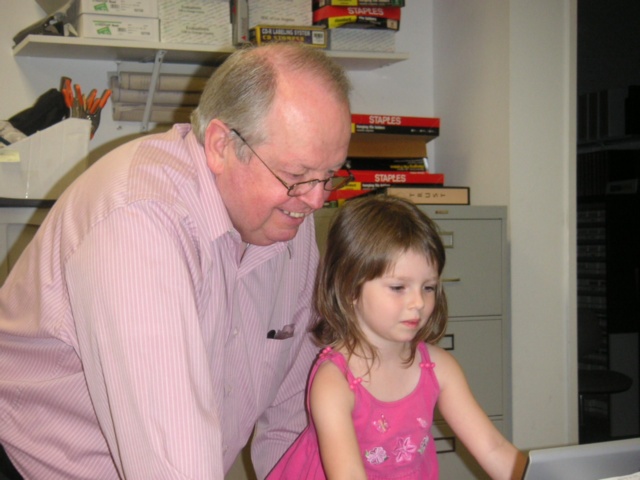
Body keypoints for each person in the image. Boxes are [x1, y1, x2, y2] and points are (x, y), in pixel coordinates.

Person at [0, 42, 353, 479]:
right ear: (222, 145)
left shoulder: (287, 225)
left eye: (331, 175)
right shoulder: (139, 220)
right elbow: (171, 464)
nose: (316, 200)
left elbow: (293, 421)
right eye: (297, 176)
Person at [267, 196, 527, 480]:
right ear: (350, 289)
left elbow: (492, 448)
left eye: (428, 287)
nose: (418, 302)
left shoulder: (438, 368)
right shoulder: (334, 381)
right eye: (398, 287)